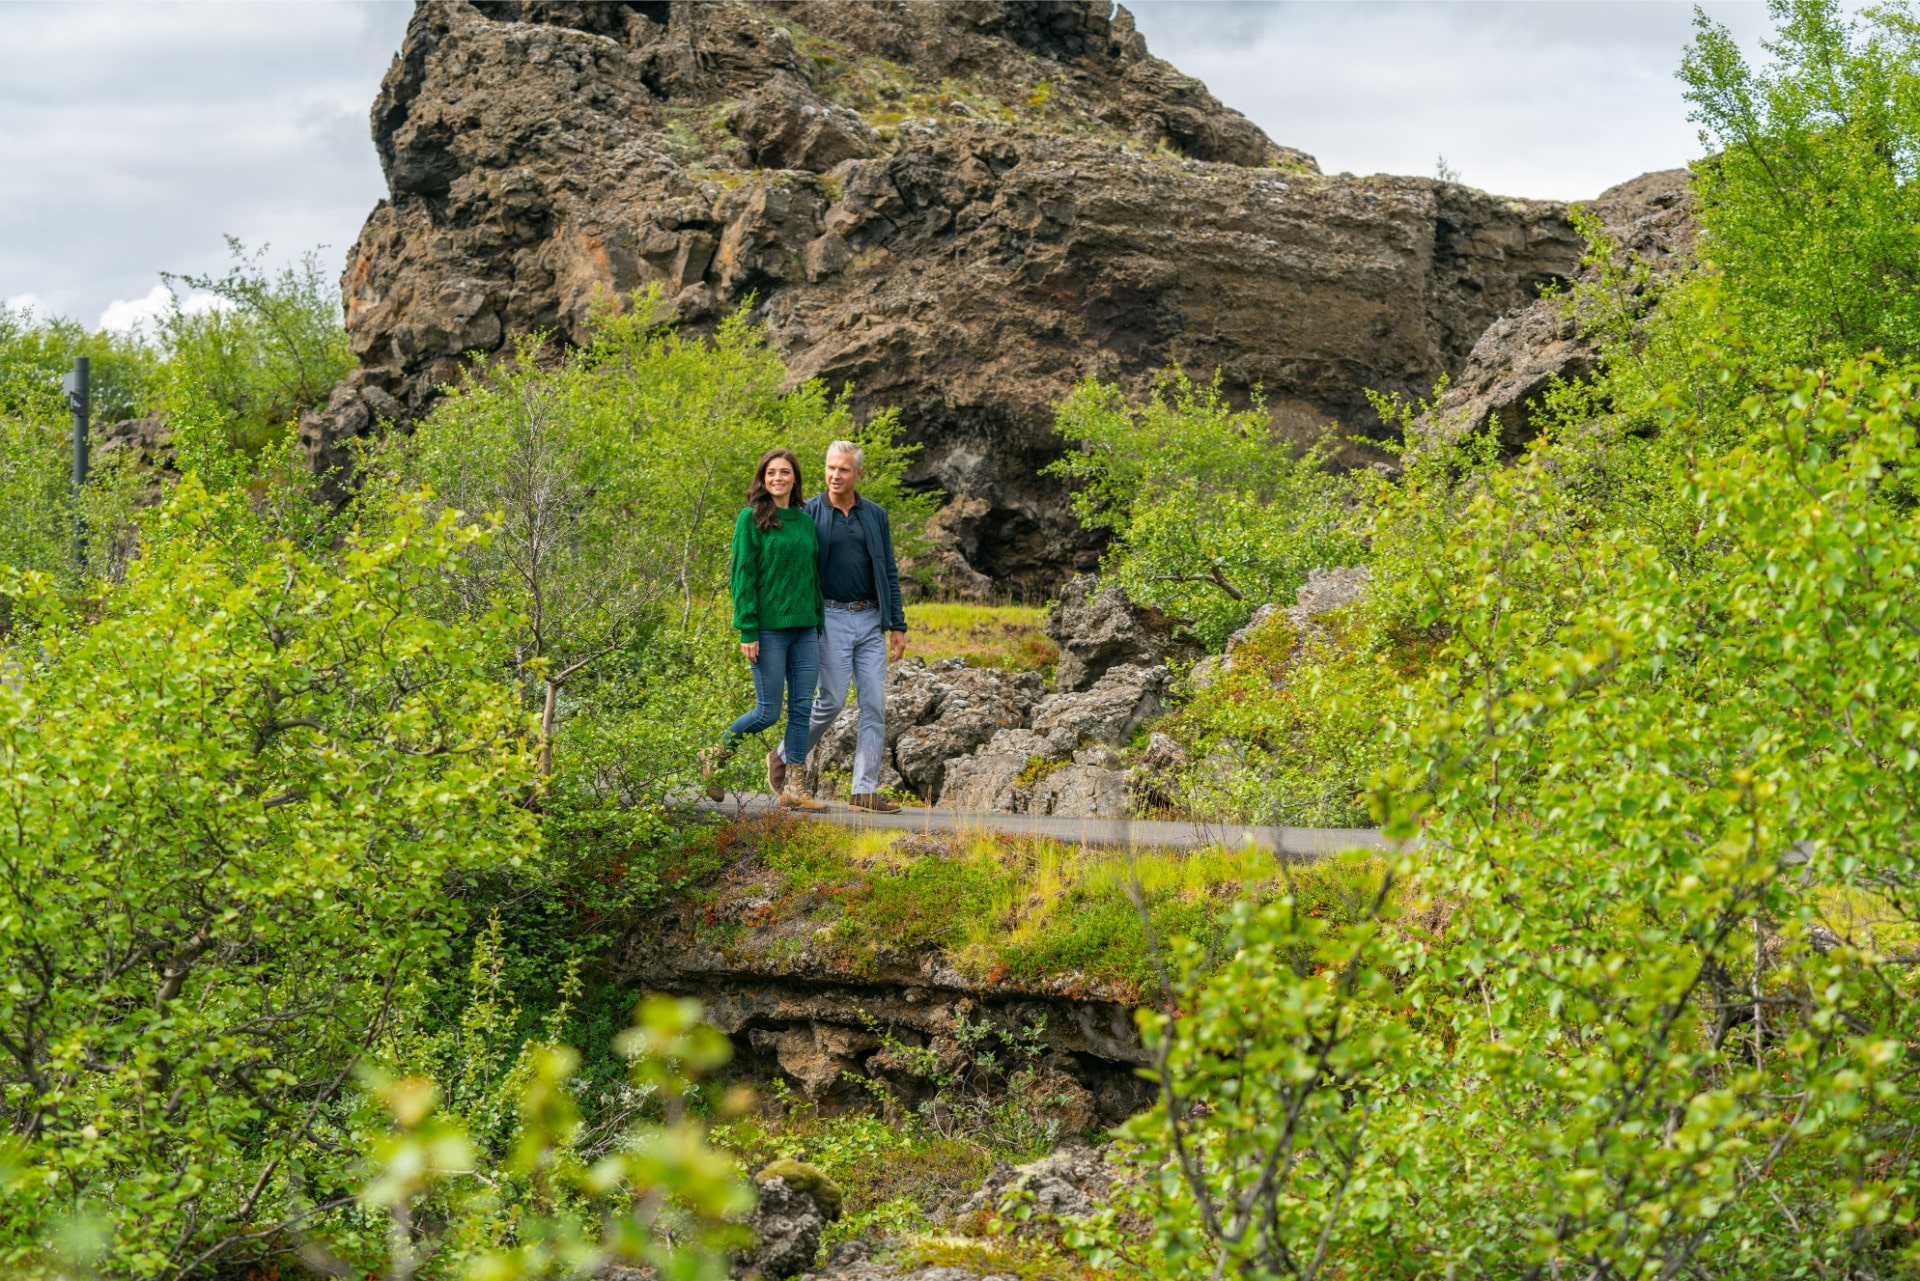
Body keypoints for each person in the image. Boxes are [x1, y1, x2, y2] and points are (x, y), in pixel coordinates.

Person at [773, 439, 908, 813]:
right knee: (830, 701)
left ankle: (864, 790)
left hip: (869, 620)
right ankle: (783, 755)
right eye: (831, 468)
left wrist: (897, 623)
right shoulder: (808, 512)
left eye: (843, 469)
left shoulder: (875, 515)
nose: (835, 475)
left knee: (874, 705)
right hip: (829, 617)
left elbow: (889, 571)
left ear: (858, 474)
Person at [703, 447, 828, 811]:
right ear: (763, 478)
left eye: (785, 472)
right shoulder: (751, 519)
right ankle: (716, 755)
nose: (778, 478)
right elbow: (742, 576)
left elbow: (811, 575)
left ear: (795, 479)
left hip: (805, 630)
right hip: (768, 631)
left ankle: (795, 788)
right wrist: (747, 628)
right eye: (771, 472)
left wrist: (817, 618)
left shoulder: (805, 522)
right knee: (767, 712)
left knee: (802, 710)